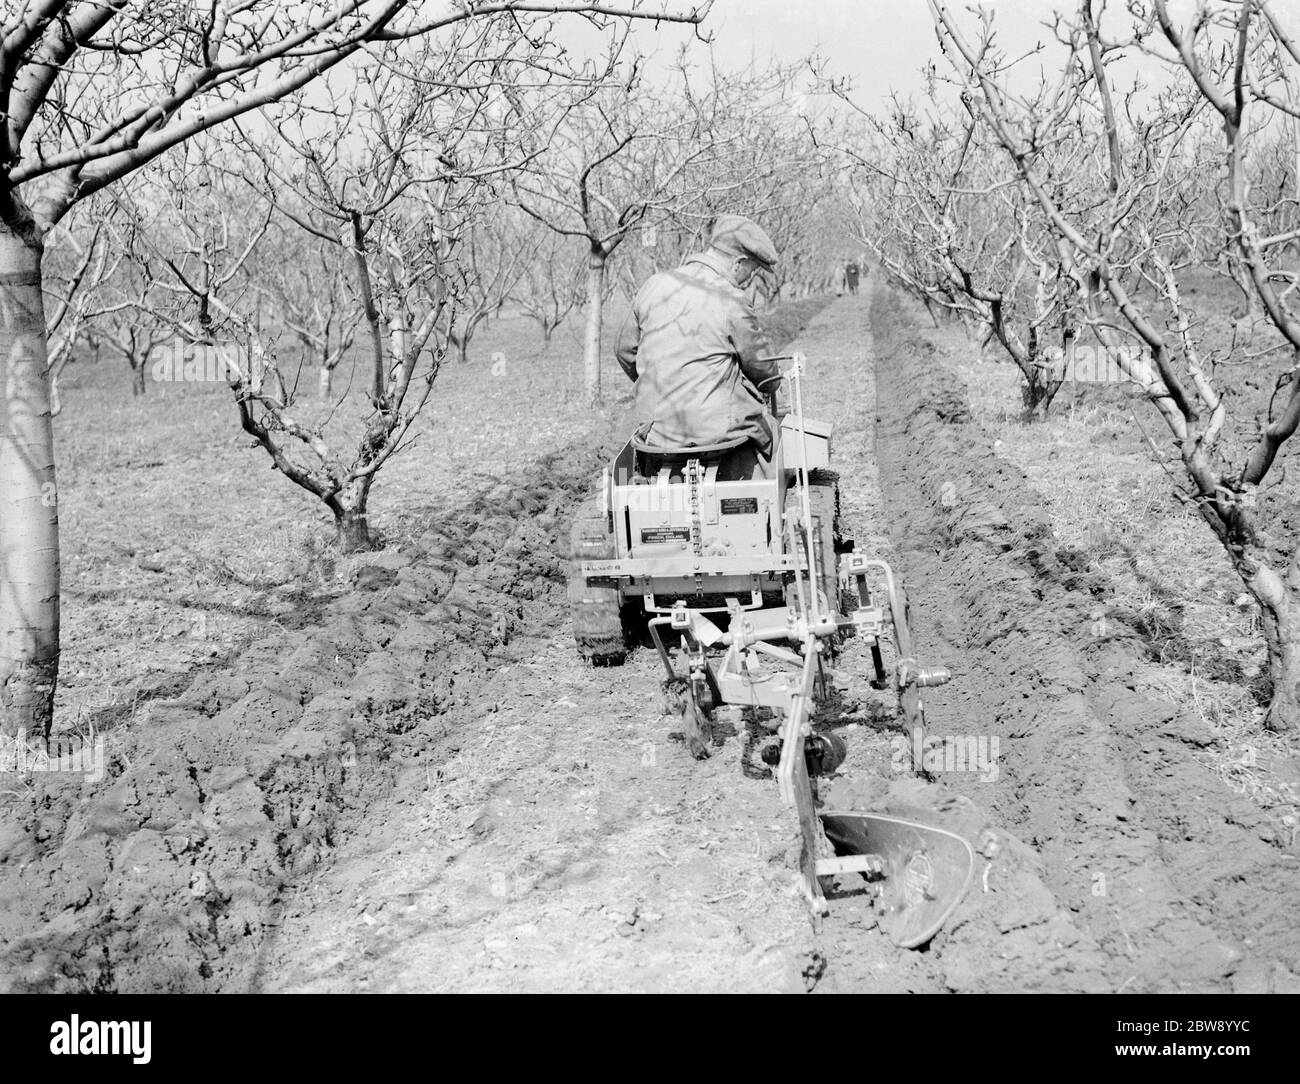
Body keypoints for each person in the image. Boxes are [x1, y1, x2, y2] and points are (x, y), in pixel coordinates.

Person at [615, 214, 780, 476]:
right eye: (753, 269)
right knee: (773, 434)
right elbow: (765, 373)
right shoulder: (731, 299)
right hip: (718, 435)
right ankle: (769, 506)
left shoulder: (654, 285)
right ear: (739, 263)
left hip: (657, 431)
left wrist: (662, 379)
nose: (751, 277)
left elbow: (624, 351)